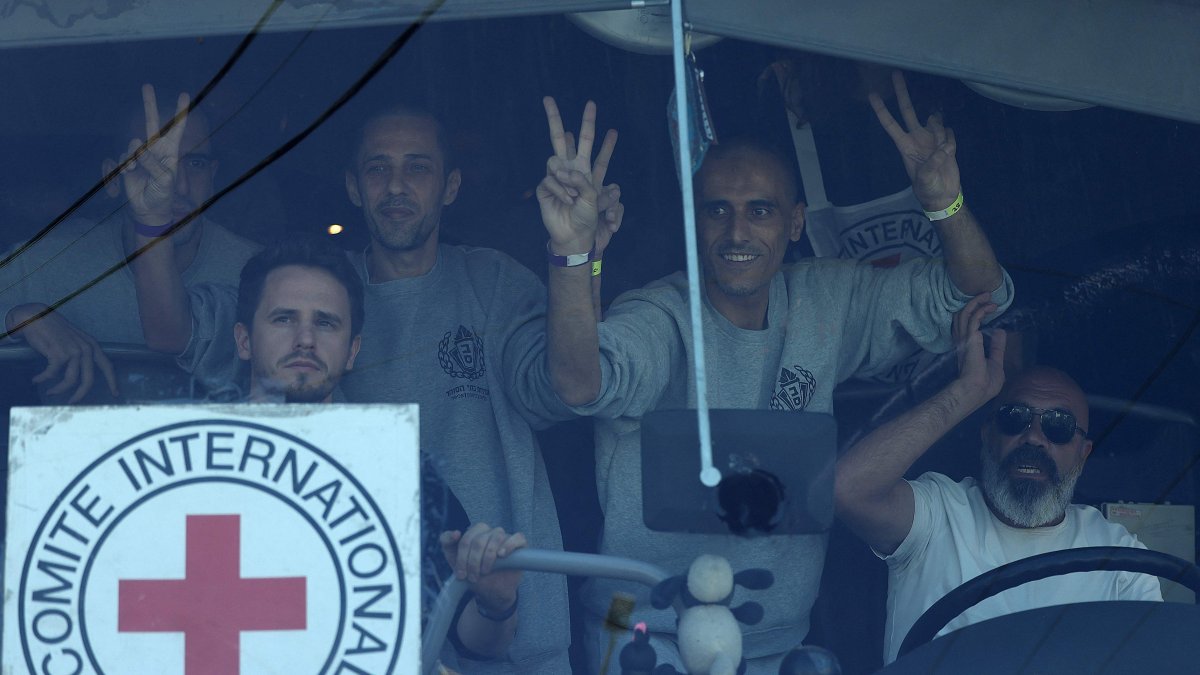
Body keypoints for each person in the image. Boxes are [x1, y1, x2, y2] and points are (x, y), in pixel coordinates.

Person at [530, 71, 1013, 673]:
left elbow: (979, 292)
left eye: (760, 211)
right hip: (637, 625)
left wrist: (945, 201)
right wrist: (573, 254)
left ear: (795, 223)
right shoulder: (661, 316)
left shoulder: (824, 302)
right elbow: (579, 383)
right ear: (694, 223)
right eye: (718, 212)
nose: (737, 232)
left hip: (774, 640)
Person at [132, 99, 622, 673]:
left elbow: (573, 387)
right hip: (353, 635)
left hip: (503, 626)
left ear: (451, 185)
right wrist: (150, 223)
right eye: (377, 168)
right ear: (353, 186)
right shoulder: (315, 290)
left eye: (417, 167)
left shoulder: (492, 282)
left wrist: (574, 252)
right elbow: (171, 333)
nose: (396, 185)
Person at [231, 237, 530, 664]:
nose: (305, 339)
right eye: (283, 319)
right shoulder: (180, 461)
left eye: (327, 323)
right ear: (243, 340)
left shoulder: (398, 473)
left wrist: (494, 602)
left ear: (352, 350)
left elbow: (476, 641)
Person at [835, 294, 1162, 664]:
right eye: (1014, 417)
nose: (1034, 437)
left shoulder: (1121, 560)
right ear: (987, 434)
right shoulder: (938, 514)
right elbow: (849, 490)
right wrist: (968, 391)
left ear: (1083, 453)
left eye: (1058, 426)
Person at [0, 84, 259, 403]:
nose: (176, 184)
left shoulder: (256, 271)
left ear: (214, 175)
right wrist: (18, 317)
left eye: (195, 164)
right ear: (112, 178)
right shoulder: (51, 258)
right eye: (153, 164)